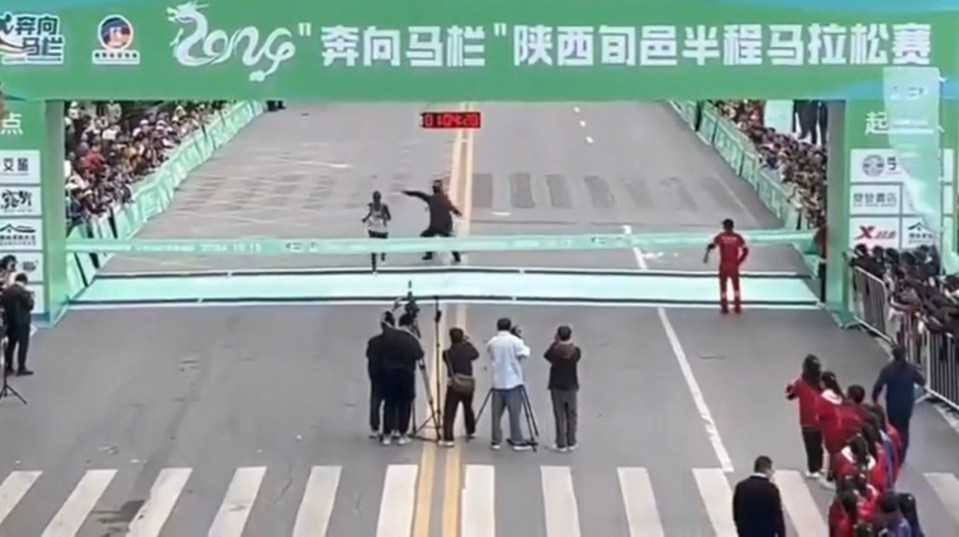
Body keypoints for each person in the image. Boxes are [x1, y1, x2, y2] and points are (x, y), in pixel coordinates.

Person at [871, 346, 924, 463]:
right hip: (906, 405)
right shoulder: (911, 369)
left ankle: (895, 451)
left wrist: (875, 399)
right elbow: (921, 381)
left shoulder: (887, 370)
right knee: (904, 429)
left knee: (893, 428)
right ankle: (903, 453)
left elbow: (878, 386)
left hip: (893, 405)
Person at [486, 317, 532, 451]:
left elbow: (490, 352)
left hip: (497, 382)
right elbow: (525, 353)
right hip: (513, 382)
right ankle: (516, 439)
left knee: (496, 415)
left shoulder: (493, 342)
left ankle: (495, 440)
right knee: (514, 413)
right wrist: (518, 338)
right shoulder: (515, 341)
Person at [379, 312, 424, 446]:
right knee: (405, 404)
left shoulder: (389, 336)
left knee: (389, 404)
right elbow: (419, 355)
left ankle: (387, 434)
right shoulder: (411, 339)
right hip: (406, 374)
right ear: (410, 325)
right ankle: (402, 433)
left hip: (389, 373)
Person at [402, 179, 462, 262]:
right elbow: (452, 208)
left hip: (435, 226)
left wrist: (409, 193)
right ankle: (457, 257)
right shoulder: (444, 198)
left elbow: (420, 194)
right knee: (448, 241)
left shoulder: (431, 199)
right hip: (444, 226)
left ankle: (429, 254)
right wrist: (458, 213)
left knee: (425, 237)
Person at [544, 325, 581, 453]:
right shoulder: (576, 351)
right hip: (571, 386)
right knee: (572, 415)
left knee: (559, 415)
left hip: (557, 386)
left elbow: (546, 356)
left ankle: (560, 442)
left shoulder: (554, 351)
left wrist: (555, 342)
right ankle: (571, 441)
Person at [785, 354, 824, 478]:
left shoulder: (801, 383)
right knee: (819, 444)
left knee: (810, 445)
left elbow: (789, 395)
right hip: (822, 419)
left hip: (807, 420)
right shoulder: (822, 383)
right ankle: (819, 466)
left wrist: (792, 382)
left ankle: (813, 469)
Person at [440, 327, 479, 447]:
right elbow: (476, 354)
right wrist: (467, 342)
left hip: (454, 384)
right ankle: (471, 430)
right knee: (468, 408)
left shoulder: (446, 353)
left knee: (450, 411)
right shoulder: (467, 350)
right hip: (467, 383)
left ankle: (448, 438)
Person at [732, 455, 786, 537]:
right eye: (771, 470)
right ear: (767, 470)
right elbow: (777, 515)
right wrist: (781, 534)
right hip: (766, 532)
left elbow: (736, 509)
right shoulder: (771, 489)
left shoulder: (742, 486)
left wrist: (740, 527)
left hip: (746, 531)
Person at [703, 218, 749, 314]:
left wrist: (708, 251)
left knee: (723, 286)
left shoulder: (721, 236)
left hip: (724, 265)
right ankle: (737, 306)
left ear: (724, 227)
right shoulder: (737, 237)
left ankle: (724, 307)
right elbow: (745, 250)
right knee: (736, 286)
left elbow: (713, 245)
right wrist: (739, 261)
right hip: (734, 265)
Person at [365, 312, 393, 438]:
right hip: (391, 375)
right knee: (391, 403)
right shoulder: (394, 342)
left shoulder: (373, 342)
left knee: (375, 402)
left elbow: (368, 355)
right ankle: (392, 427)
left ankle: (374, 427)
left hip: (376, 375)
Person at [1, 273, 34, 377]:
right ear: (24, 282)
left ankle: (9, 367)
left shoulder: (6, 292)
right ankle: (21, 367)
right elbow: (30, 305)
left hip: (10, 322)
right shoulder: (23, 292)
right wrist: (32, 298)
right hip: (22, 323)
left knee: (10, 345)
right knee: (23, 346)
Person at [362, 191, 392, 270]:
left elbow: (389, 217)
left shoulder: (384, 206)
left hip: (382, 228)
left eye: (377, 199)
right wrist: (365, 219)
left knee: (383, 245)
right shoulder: (371, 205)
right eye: (375, 199)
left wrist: (382, 217)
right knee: (373, 249)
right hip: (373, 229)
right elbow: (370, 213)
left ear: (380, 199)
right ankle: (374, 268)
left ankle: (383, 256)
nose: (376, 201)